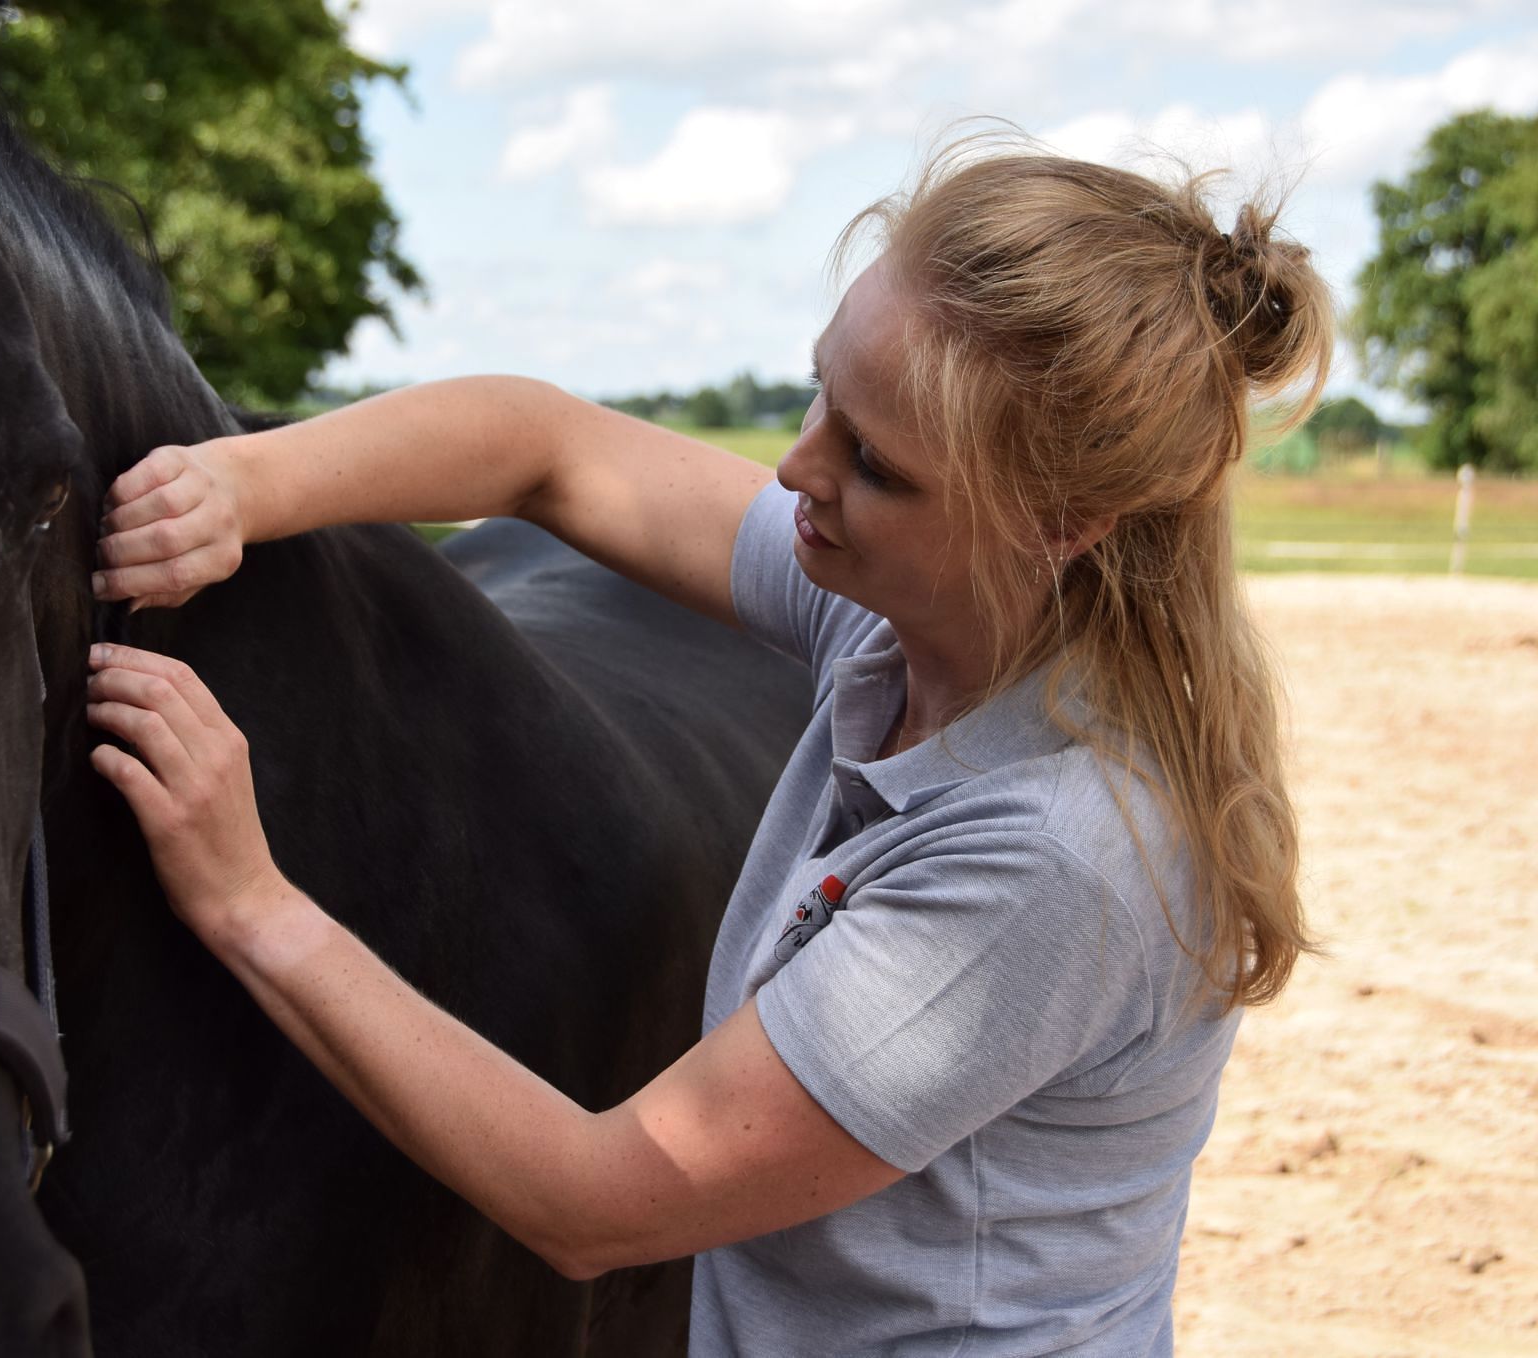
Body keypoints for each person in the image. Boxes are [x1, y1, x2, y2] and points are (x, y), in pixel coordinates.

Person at [79, 143, 1330, 1355]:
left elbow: (600, 1199)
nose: (797, 469)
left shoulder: (1054, 859)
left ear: (1060, 523)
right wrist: (240, 484)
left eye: (875, 462)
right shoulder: (908, 620)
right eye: (821, 395)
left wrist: (252, 903)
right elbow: (545, 447)